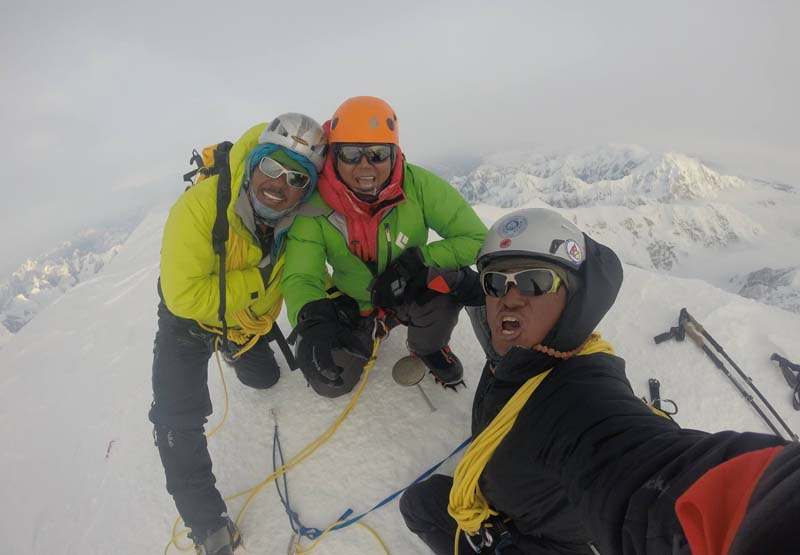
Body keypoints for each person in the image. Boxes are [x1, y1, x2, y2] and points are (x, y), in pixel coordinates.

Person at [400, 207, 800, 555]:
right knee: (422, 501)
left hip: (542, 542)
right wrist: (449, 280)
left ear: (573, 297)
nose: (511, 297)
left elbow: (647, 473)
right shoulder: (530, 355)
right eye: (496, 282)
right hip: (531, 509)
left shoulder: (578, 401)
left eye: (535, 281)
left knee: (419, 506)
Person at [149, 113, 327, 555]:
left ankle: (234, 351)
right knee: (176, 416)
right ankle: (205, 522)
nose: (279, 184)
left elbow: (316, 268)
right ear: (253, 163)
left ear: (307, 188)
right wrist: (260, 280)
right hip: (187, 325)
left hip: (247, 323)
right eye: (270, 168)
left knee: (264, 380)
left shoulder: (301, 219)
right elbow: (182, 296)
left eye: (296, 178)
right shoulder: (200, 208)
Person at [281, 96, 488, 397]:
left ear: (394, 153)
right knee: (329, 381)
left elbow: (478, 239)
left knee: (444, 289)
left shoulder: (418, 185)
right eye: (351, 154)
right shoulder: (314, 206)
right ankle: (365, 330)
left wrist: (418, 263)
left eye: (377, 153)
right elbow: (302, 276)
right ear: (334, 154)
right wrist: (311, 318)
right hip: (352, 302)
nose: (365, 166)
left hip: (410, 290)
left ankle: (428, 347)